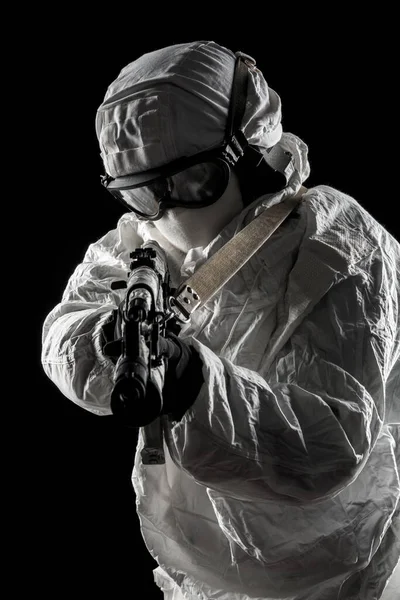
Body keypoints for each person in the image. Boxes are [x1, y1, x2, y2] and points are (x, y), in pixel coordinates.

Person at [41, 41, 400, 600]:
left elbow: (330, 444)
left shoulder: (334, 240)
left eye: (191, 183)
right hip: (195, 568)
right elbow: (63, 332)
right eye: (142, 191)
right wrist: (105, 338)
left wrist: (195, 384)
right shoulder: (141, 243)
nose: (170, 209)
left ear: (247, 150)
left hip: (330, 568)